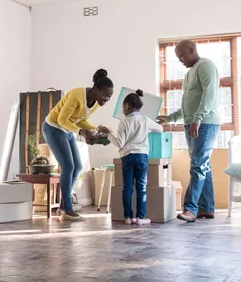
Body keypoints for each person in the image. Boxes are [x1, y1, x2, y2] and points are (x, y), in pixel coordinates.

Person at [157, 40, 220, 223]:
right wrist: (169, 118)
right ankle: (206, 208)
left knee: (198, 165)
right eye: (178, 57)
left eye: (182, 56)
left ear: (192, 50)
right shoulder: (189, 73)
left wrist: (197, 119)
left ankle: (190, 209)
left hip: (205, 123)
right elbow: (187, 105)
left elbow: (209, 96)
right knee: (203, 166)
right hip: (193, 123)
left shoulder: (206, 66)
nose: (180, 60)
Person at [42, 69, 114, 221]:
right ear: (96, 89)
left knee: (78, 166)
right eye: (105, 94)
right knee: (68, 167)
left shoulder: (95, 104)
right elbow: (61, 120)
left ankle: (63, 206)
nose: (107, 99)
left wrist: (94, 129)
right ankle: (67, 209)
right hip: (53, 128)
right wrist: (81, 132)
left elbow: (79, 120)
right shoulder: (76, 95)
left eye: (110, 96)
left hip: (67, 129)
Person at [99, 90, 165, 225]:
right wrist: (157, 125)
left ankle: (128, 217)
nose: (122, 109)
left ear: (128, 105)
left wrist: (108, 134)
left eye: (123, 106)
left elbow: (119, 144)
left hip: (127, 157)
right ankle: (140, 218)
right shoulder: (145, 120)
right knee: (141, 187)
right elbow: (160, 129)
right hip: (142, 157)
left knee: (127, 188)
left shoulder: (123, 122)